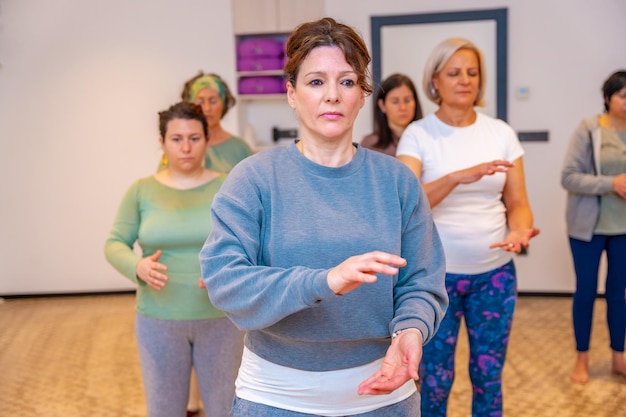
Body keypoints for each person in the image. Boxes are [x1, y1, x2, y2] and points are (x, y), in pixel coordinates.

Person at [199, 17, 448, 417]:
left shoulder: (397, 182)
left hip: (384, 396)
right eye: (316, 82)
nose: (332, 95)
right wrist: (325, 281)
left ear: (363, 95)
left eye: (347, 82)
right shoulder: (254, 178)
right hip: (275, 398)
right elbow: (226, 282)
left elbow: (422, 280)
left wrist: (411, 330)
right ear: (292, 94)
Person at [396, 37, 539, 417]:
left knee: (488, 375)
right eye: (454, 73)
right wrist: (458, 177)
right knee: (435, 378)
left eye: (472, 73)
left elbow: (518, 204)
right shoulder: (418, 134)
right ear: (434, 81)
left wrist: (519, 231)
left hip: (494, 277)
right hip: (433, 279)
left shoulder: (500, 133)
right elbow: (409, 204)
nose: (465, 80)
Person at [105, 102, 243, 417]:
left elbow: (251, 245)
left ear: (207, 140)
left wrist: (226, 270)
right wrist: (136, 266)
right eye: (176, 139)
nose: (185, 148)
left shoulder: (229, 187)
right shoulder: (141, 191)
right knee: (164, 409)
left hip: (220, 319)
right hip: (158, 320)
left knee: (226, 408)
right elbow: (115, 243)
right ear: (162, 143)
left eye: (194, 138)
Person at [561, 70, 626, 384]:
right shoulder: (589, 130)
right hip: (587, 228)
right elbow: (569, 176)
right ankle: (581, 359)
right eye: (623, 95)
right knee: (586, 293)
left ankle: (618, 357)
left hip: (623, 230)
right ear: (607, 98)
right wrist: (611, 183)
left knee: (619, 294)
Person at [158, 72, 253, 173]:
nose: (207, 108)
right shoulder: (179, 150)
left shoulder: (240, 149)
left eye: (213, 101)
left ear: (224, 104)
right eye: (201, 102)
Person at [361, 73, 423, 156]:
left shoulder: (427, 140)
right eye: (395, 101)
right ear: (382, 105)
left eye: (407, 100)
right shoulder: (370, 146)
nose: (402, 108)